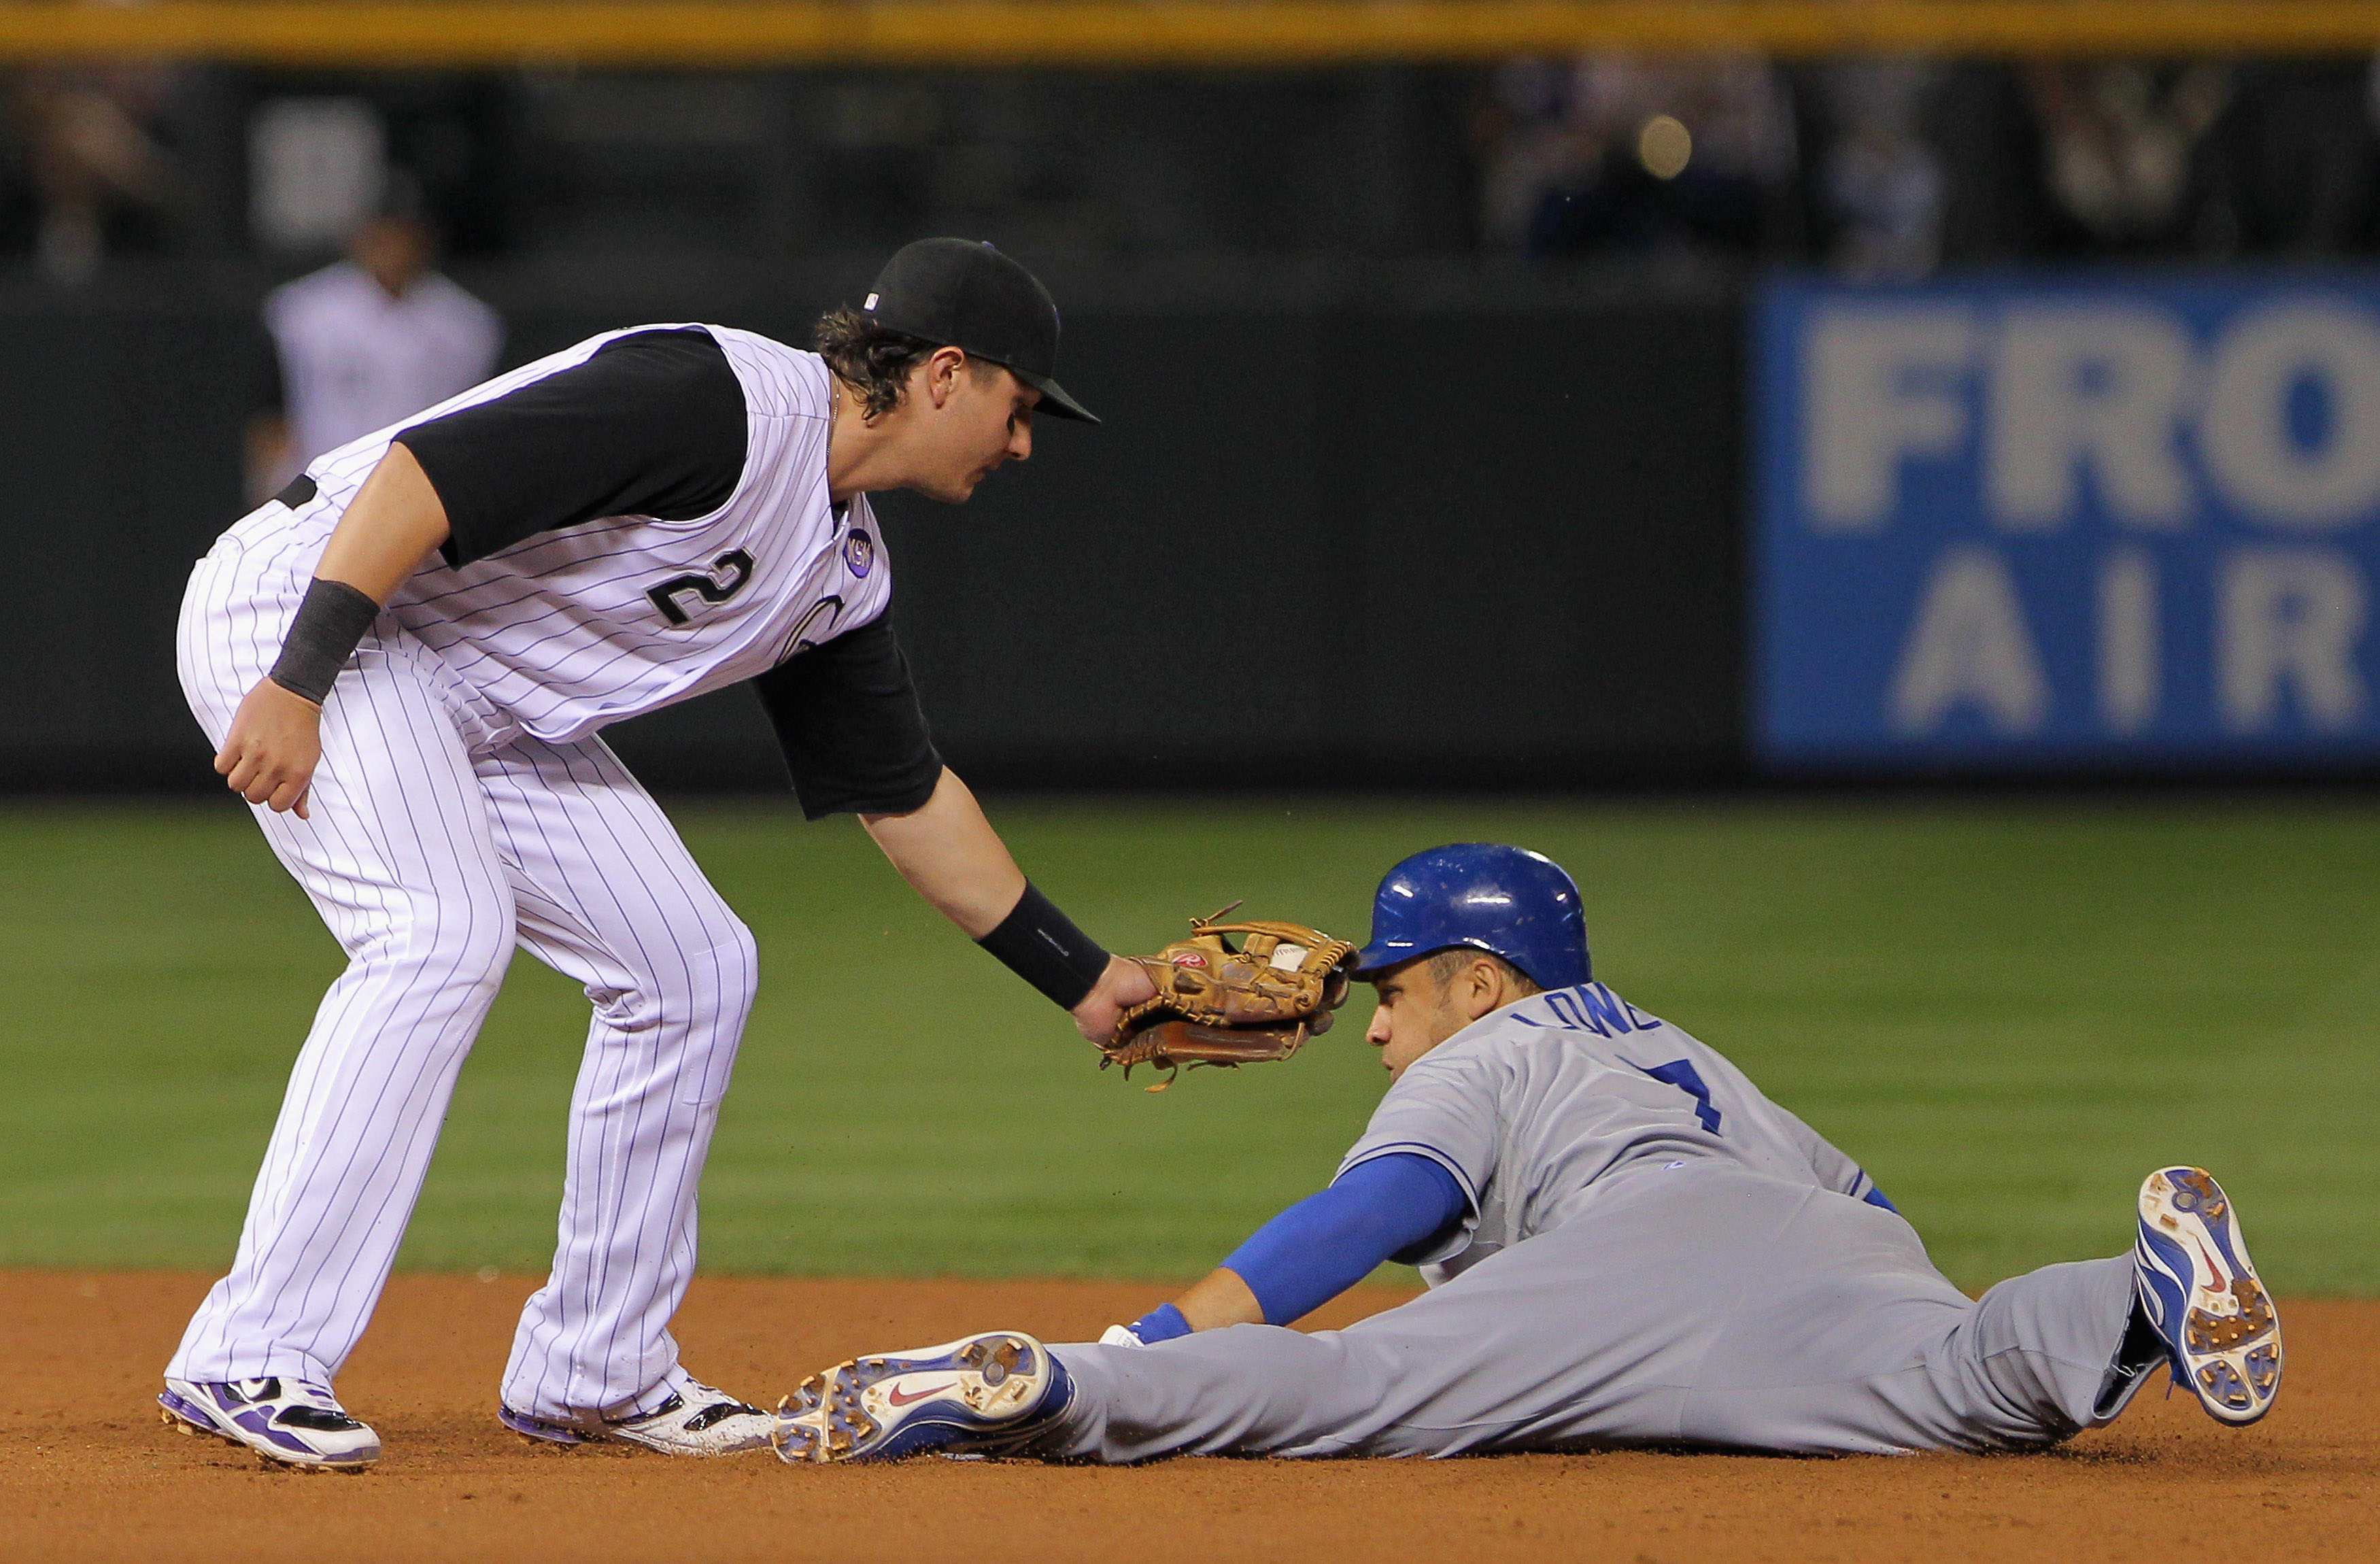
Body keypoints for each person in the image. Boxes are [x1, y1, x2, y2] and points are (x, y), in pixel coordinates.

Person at [159, 237, 1156, 1472]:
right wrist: (296, 683)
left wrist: (1090, 981)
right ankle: (248, 1352)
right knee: (438, 933)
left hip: (473, 693)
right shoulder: (722, 401)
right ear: (947, 374)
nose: (1023, 444)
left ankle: (597, 1368)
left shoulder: (838, 571)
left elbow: (905, 800)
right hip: (309, 611)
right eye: (1020, 407)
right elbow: (421, 478)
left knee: (693, 966)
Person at [769, 843, 2283, 1463]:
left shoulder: (1496, 1047)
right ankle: (2132, 1296)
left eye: (1394, 985)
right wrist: (1864, 1316)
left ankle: (1055, 1384)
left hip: (1628, 1255)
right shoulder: (1677, 1044)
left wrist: (1150, 1330)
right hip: (1831, 1252)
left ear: (1479, 982)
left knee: (1355, 1387)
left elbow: (1366, 1217)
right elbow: (1864, 1207)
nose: (1371, 1023)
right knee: (1976, 1380)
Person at [248, 203, 503, 504]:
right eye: (383, 236)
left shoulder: (467, 324)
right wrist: (268, 495)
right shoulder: (302, 312)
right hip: (322, 492)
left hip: (426, 493)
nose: (393, 248)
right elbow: (271, 415)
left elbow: (481, 425)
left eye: (402, 236)